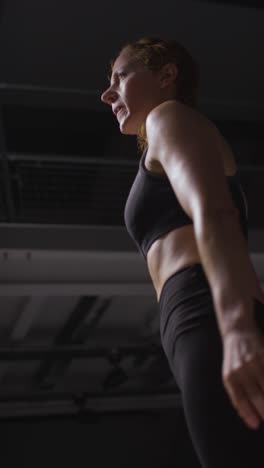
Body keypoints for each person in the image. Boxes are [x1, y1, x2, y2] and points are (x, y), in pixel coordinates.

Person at [100, 36, 264, 468]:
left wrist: (237, 327)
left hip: (206, 309)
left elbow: (214, 209)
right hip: (194, 315)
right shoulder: (165, 133)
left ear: (166, 75)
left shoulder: (168, 118)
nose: (107, 92)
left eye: (121, 76)